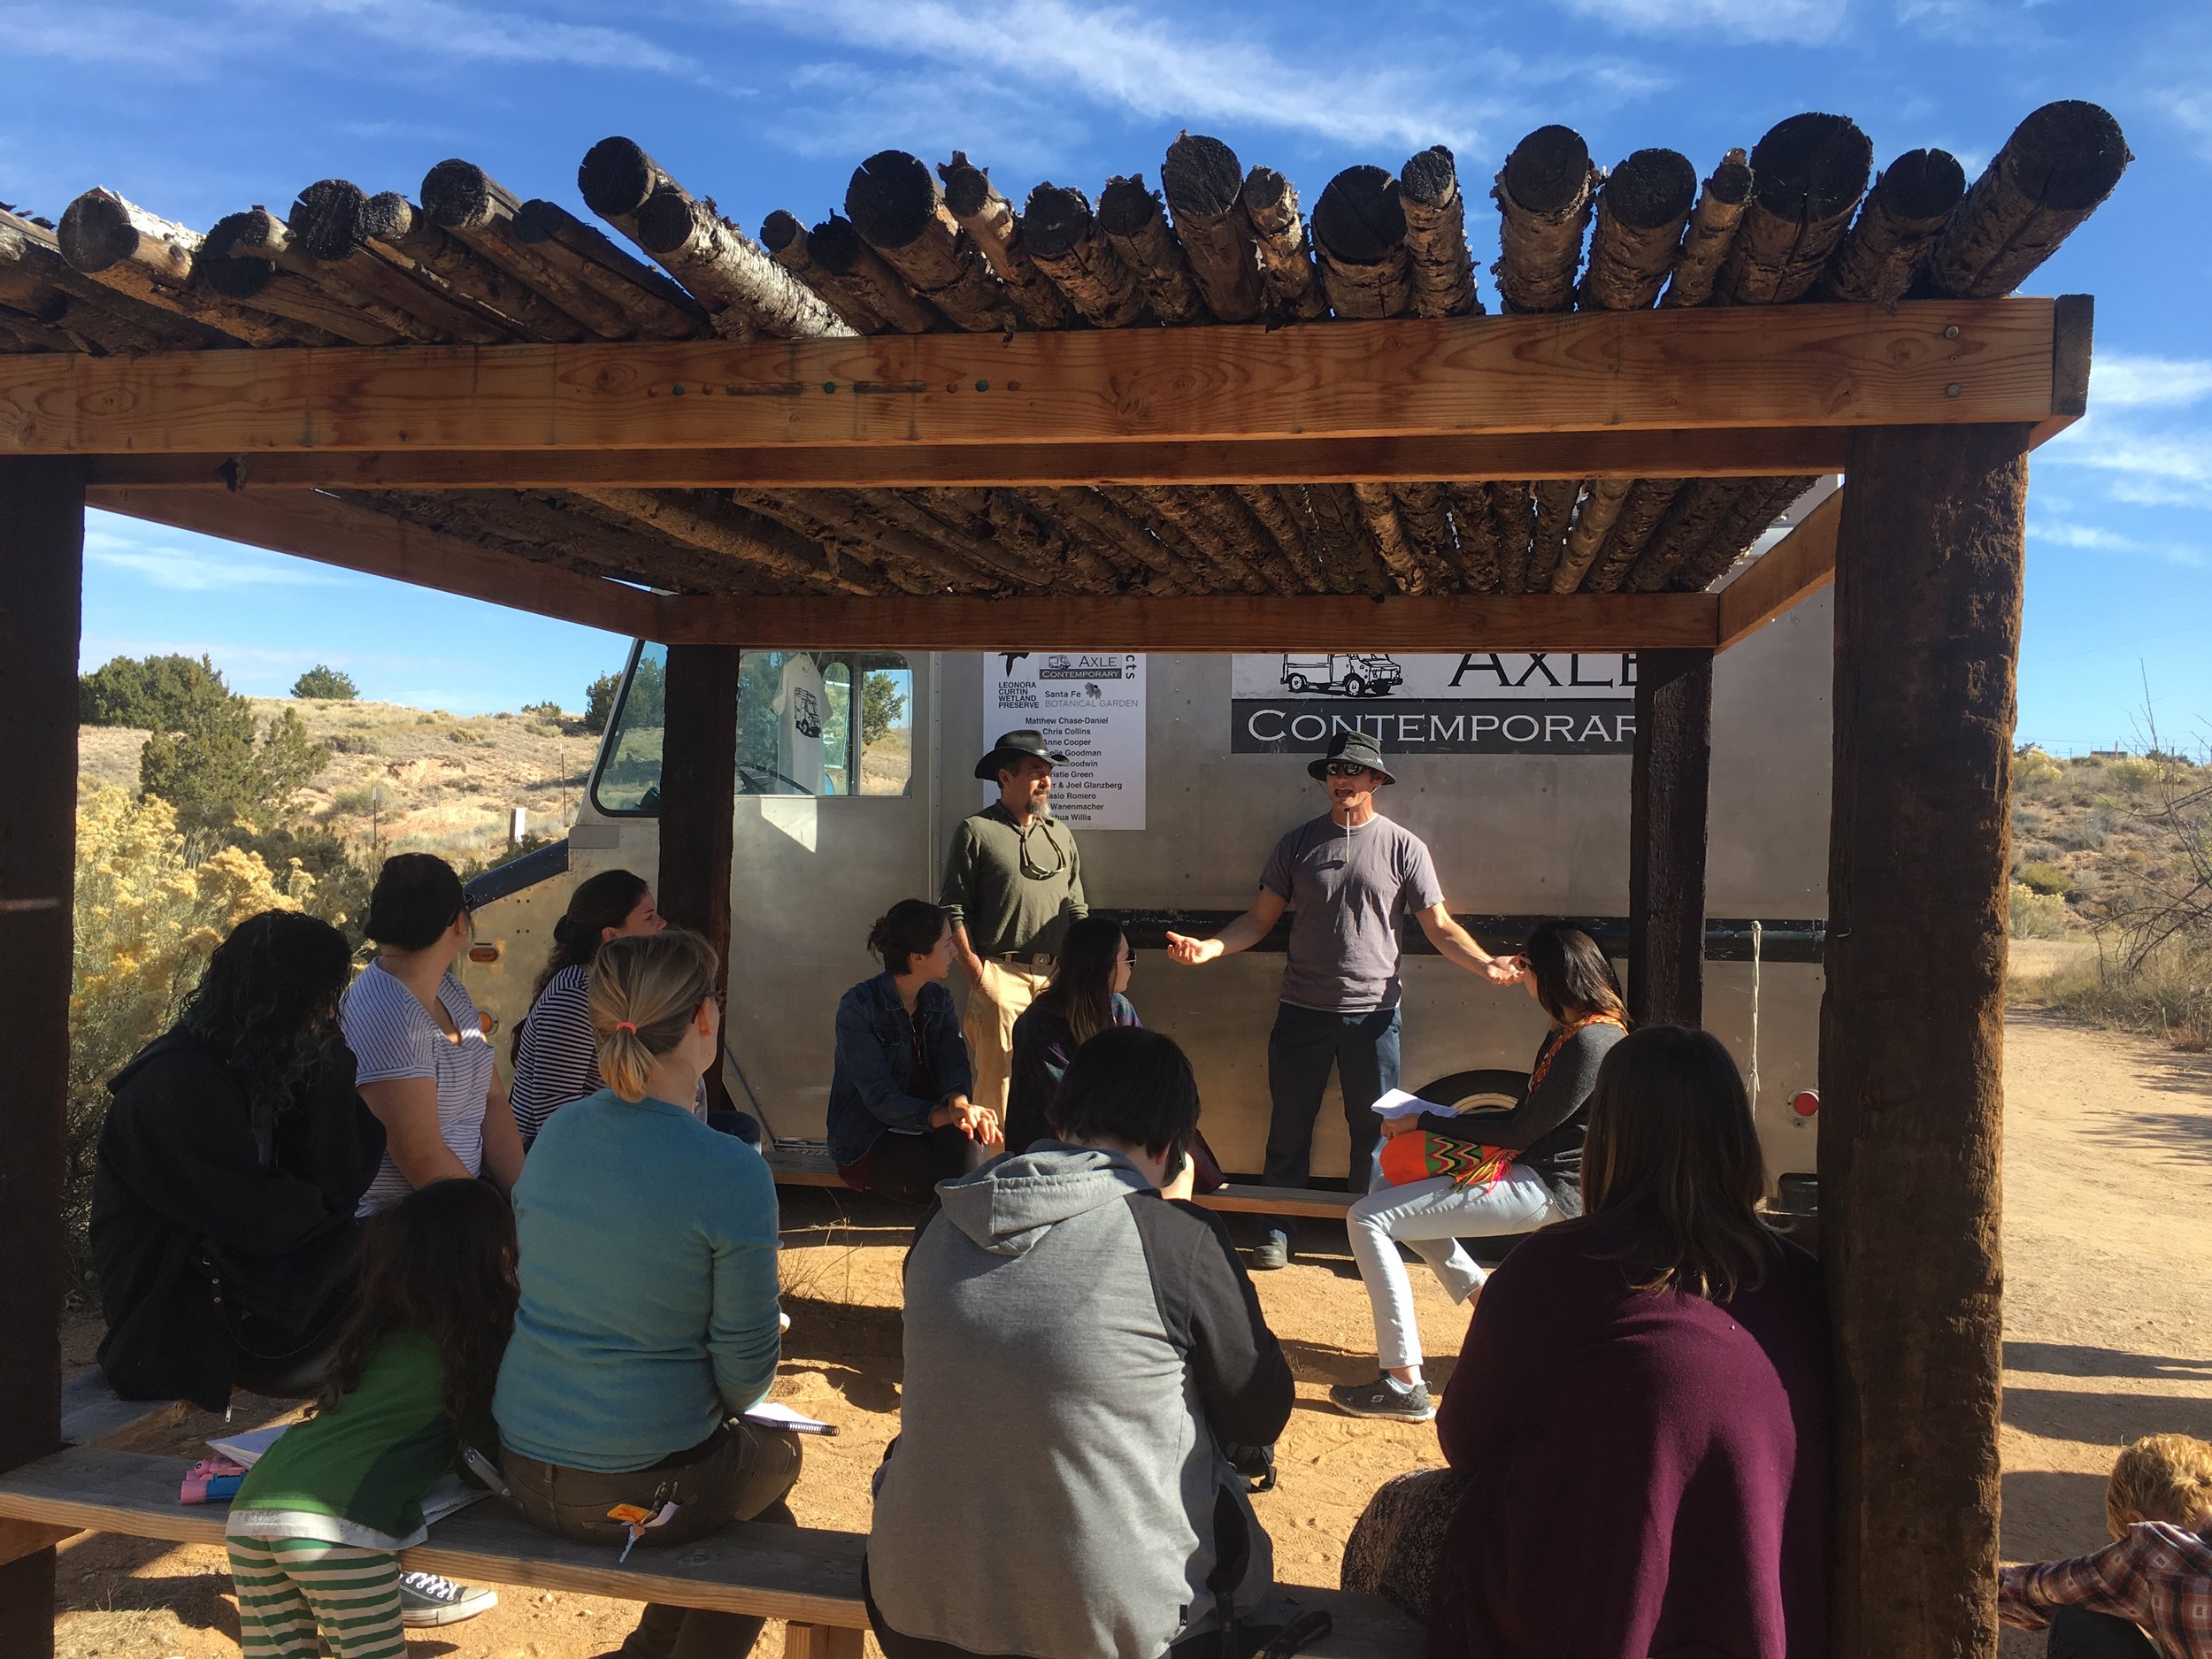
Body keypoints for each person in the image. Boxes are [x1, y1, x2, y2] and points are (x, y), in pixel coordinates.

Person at [866, 1027, 1295, 1659]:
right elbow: (1260, 1409)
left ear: (1060, 1115)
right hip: (1118, 1632)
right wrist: (1172, 1212)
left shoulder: (943, 1218)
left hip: (917, 1611)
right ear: (1172, 1145)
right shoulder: (1174, 1239)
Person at [1422, 1025, 1831, 1659]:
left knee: (1409, 1515)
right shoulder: (1803, 1282)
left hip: (1585, 1623)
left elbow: (1464, 1441)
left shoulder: (1551, 1268)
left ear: (1607, 1140)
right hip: (1761, 1619)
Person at [495, 927, 799, 1659]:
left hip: (523, 1462)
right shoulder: (730, 1169)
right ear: (703, 1018)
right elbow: (745, 1376)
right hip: (636, 1482)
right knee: (776, 1479)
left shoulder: (559, 1132)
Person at [1166, 731, 1522, 1269]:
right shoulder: (1297, 843)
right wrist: (1211, 947)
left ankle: (1368, 1234)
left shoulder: (1405, 846)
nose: (1343, 781)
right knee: (1289, 1124)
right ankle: (1277, 1228)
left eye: (1354, 772)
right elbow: (1260, 920)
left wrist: (1485, 963)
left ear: (1377, 780)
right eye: (1335, 771)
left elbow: (1441, 927)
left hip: (1375, 1019)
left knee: (1375, 1133)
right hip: (1301, 1013)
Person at [1331, 922, 1628, 1422]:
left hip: (1550, 1189)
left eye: (1527, 965)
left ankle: (1403, 1382)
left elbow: (1518, 1133)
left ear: (1554, 976)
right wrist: (1438, 1120)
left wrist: (1423, 1121)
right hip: (1535, 1174)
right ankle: (1494, 1312)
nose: (1520, 974)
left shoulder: (1590, 1041)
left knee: (1367, 1217)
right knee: (1390, 1187)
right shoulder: (1579, 1031)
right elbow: (1523, 1121)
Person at [93, 910, 386, 1411]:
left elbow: (345, 1179)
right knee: (414, 1268)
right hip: (180, 1327)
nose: (330, 1013)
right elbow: (258, 1220)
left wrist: (329, 1057)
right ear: (285, 999)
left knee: (425, 1258)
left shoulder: (268, 1059)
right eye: (321, 1000)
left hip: (254, 1302)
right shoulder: (176, 1083)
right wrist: (326, 1214)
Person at [224, 1177, 516, 1647]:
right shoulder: (469, 1355)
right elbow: (481, 1462)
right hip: (340, 1529)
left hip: (252, 1509)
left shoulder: (373, 1341)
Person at [342, 853, 523, 1212]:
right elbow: (423, 1158)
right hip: (409, 1229)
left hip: (464, 1205)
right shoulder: (387, 1016)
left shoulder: (450, 992)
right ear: (459, 922)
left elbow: (492, 1101)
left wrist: (525, 1200)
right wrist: (496, 1227)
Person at [941, 729, 1088, 1118]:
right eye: (1036, 771)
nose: (1047, 781)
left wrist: (1080, 974)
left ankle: (1051, 1176)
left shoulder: (1061, 835)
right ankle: (997, 1177)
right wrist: (979, 977)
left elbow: (1077, 908)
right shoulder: (977, 830)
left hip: (1058, 981)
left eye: (1049, 772)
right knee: (998, 1090)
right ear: (1005, 778)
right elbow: (955, 908)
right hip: (1001, 977)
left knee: (1063, 1086)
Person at [830, 900, 1001, 1200]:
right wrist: (945, 1115)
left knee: (971, 1142)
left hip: (930, 1125)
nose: (955, 951)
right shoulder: (858, 1007)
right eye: (948, 943)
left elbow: (954, 1061)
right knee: (958, 1182)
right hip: (871, 1138)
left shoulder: (939, 998)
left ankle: (955, 1233)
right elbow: (880, 1099)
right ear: (917, 956)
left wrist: (959, 1104)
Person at [2000, 1432, 2212, 1659]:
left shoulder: (2153, 1548)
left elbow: (2039, 1590)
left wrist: (1975, 1578)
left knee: (2076, 1622)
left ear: (2137, 1521)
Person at [508, 868, 665, 1145]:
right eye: (649, 917)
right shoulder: (575, 998)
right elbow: (556, 1118)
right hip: (558, 1161)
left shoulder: (609, 987)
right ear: (612, 935)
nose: (661, 924)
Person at [1004, 913, 1140, 1155]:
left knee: (1181, 1162)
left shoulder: (1119, 1008)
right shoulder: (1040, 1024)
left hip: (1110, 1138)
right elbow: (1070, 1107)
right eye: (1128, 958)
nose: (1131, 966)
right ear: (1104, 966)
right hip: (1050, 1156)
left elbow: (1149, 1073)